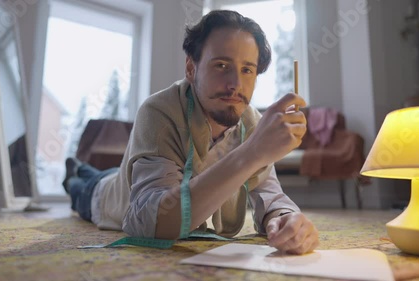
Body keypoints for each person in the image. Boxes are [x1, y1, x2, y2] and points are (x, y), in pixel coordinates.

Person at [63, 9, 319, 255]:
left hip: (133, 175)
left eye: (247, 70)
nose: (235, 84)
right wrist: (251, 153)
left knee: (91, 174)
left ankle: (82, 171)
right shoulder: (158, 112)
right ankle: (75, 172)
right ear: (190, 68)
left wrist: (286, 218)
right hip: (104, 197)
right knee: (80, 186)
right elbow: (148, 223)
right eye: (221, 65)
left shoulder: (252, 123)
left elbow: (269, 194)